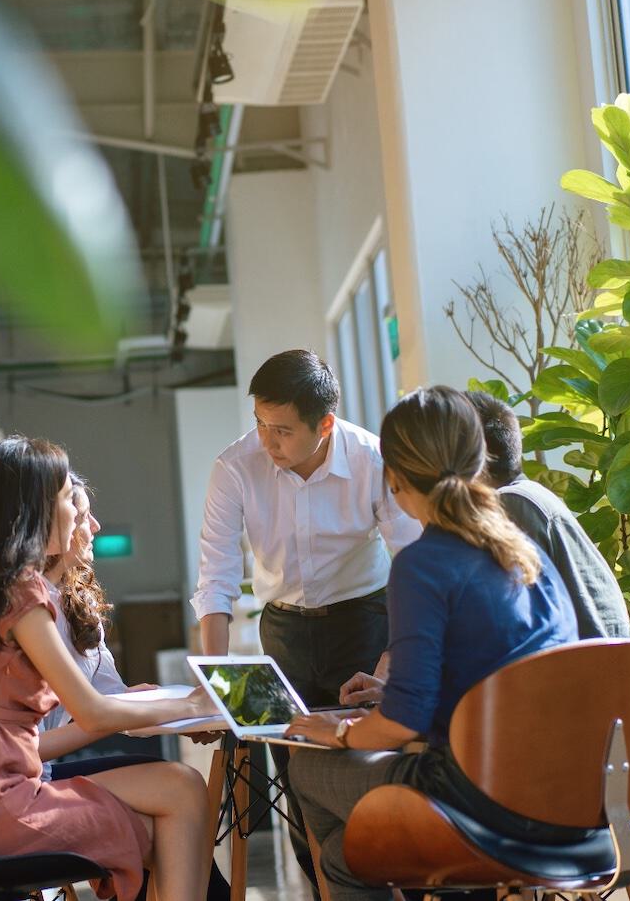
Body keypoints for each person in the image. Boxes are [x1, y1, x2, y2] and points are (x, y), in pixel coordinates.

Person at [281, 386, 579, 901]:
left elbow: (403, 723)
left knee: (306, 765)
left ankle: (443, 876)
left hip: (476, 801)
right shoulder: (523, 550)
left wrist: (342, 733)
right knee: (343, 858)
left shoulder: (423, 564)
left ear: (393, 477)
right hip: (566, 791)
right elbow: (513, 671)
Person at [0, 436, 215, 901]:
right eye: (70, 498)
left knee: (182, 789)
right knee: (175, 824)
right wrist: (190, 702)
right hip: (1, 805)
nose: (81, 516)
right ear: (34, 510)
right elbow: (93, 713)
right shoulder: (23, 593)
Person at [190, 348, 421, 891]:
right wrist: (215, 678)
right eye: (260, 426)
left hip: (364, 623)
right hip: (284, 633)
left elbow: (412, 568)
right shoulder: (235, 466)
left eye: (283, 431)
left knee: (370, 772)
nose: (268, 443)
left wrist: (388, 666)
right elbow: (217, 574)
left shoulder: (372, 459)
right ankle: (322, 888)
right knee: (297, 787)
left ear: (325, 424)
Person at [40, 473, 233, 901]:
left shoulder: (71, 602)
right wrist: (174, 709)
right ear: (51, 529)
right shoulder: (29, 612)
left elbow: (114, 700)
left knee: (181, 806)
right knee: (181, 800)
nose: (96, 527)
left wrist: (187, 714)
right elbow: (99, 714)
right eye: (85, 515)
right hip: (27, 775)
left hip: (42, 767)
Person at [463, 390, 630, 639]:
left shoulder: (510, 505)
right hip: (614, 665)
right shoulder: (531, 494)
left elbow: (508, 620)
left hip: (588, 670)